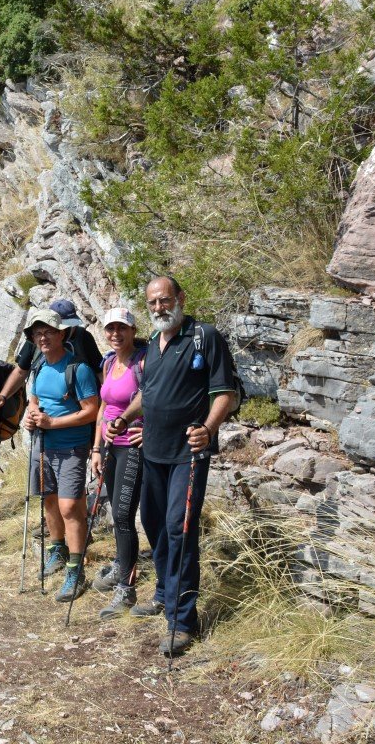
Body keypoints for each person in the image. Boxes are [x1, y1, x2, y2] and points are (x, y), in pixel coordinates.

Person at [109, 276, 236, 656]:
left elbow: (225, 393)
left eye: (165, 300)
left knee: (179, 531)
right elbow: (148, 396)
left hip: (187, 455)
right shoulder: (153, 348)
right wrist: (125, 418)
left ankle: (182, 622)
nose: (160, 308)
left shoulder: (203, 336)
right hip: (153, 453)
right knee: (153, 525)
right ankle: (164, 593)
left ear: (180, 298)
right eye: (153, 303)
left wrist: (208, 429)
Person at [21, 309, 100, 602]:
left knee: (69, 507)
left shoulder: (78, 369)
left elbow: (92, 410)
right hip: (42, 445)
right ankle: (57, 549)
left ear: (62, 333)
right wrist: (32, 414)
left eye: (48, 332)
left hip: (71, 447)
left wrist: (53, 423)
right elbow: (34, 397)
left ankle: (75, 570)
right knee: (49, 500)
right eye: (37, 333)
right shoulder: (39, 364)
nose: (42, 338)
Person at [89, 309, 147, 620]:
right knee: (117, 514)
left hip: (134, 447)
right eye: (110, 328)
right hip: (111, 448)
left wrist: (143, 429)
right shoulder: (109, 361)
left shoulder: (143, 360)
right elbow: (104, 407)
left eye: (121, 328)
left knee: (124, 514)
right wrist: (96, 448)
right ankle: (122, 567)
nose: (115, 334)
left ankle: (126, 589)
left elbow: (152, 398)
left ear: (132, 329)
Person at [0, 297, 103, 413]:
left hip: (82, 407)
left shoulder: (83, 337)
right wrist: (3, 396)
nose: (69, 328)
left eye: (71, 324)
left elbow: (100, 372)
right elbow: (20, 371)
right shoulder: (38, 341)